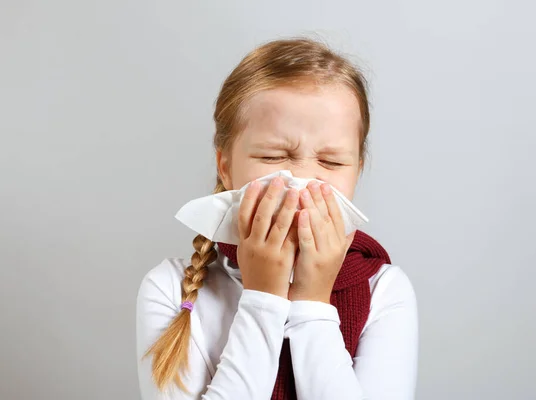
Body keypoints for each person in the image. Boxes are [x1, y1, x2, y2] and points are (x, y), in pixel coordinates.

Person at [136, 37, 418, 400]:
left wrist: (312, 301)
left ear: (356, 172)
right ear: (226, 166)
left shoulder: (384, 290)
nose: (300, 181)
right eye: (273, 157)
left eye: (330, 162)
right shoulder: (169, 290)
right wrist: (263, 297)